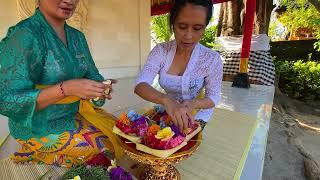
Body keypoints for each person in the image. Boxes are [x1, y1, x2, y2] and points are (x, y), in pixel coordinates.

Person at [0, 0, 121, 168]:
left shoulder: (77, 37)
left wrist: (99, 88)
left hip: (72, 114)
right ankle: (37, 151)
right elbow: (6, 99)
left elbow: (92, 74)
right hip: (36, 123)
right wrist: (66, 89)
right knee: (105, 149)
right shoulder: (23, 35)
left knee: (121, 134)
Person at [135, 0, 223, 131]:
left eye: (197, 28)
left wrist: (193, 103)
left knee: (186, 144)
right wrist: (166, 100)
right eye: (182, 27)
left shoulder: (212, 59)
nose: (188, 36)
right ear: (172, 24)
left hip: (197, 114)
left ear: (204, 28)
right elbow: (140, 85)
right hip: (168, 111)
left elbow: (214, 97)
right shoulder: (160, 51)